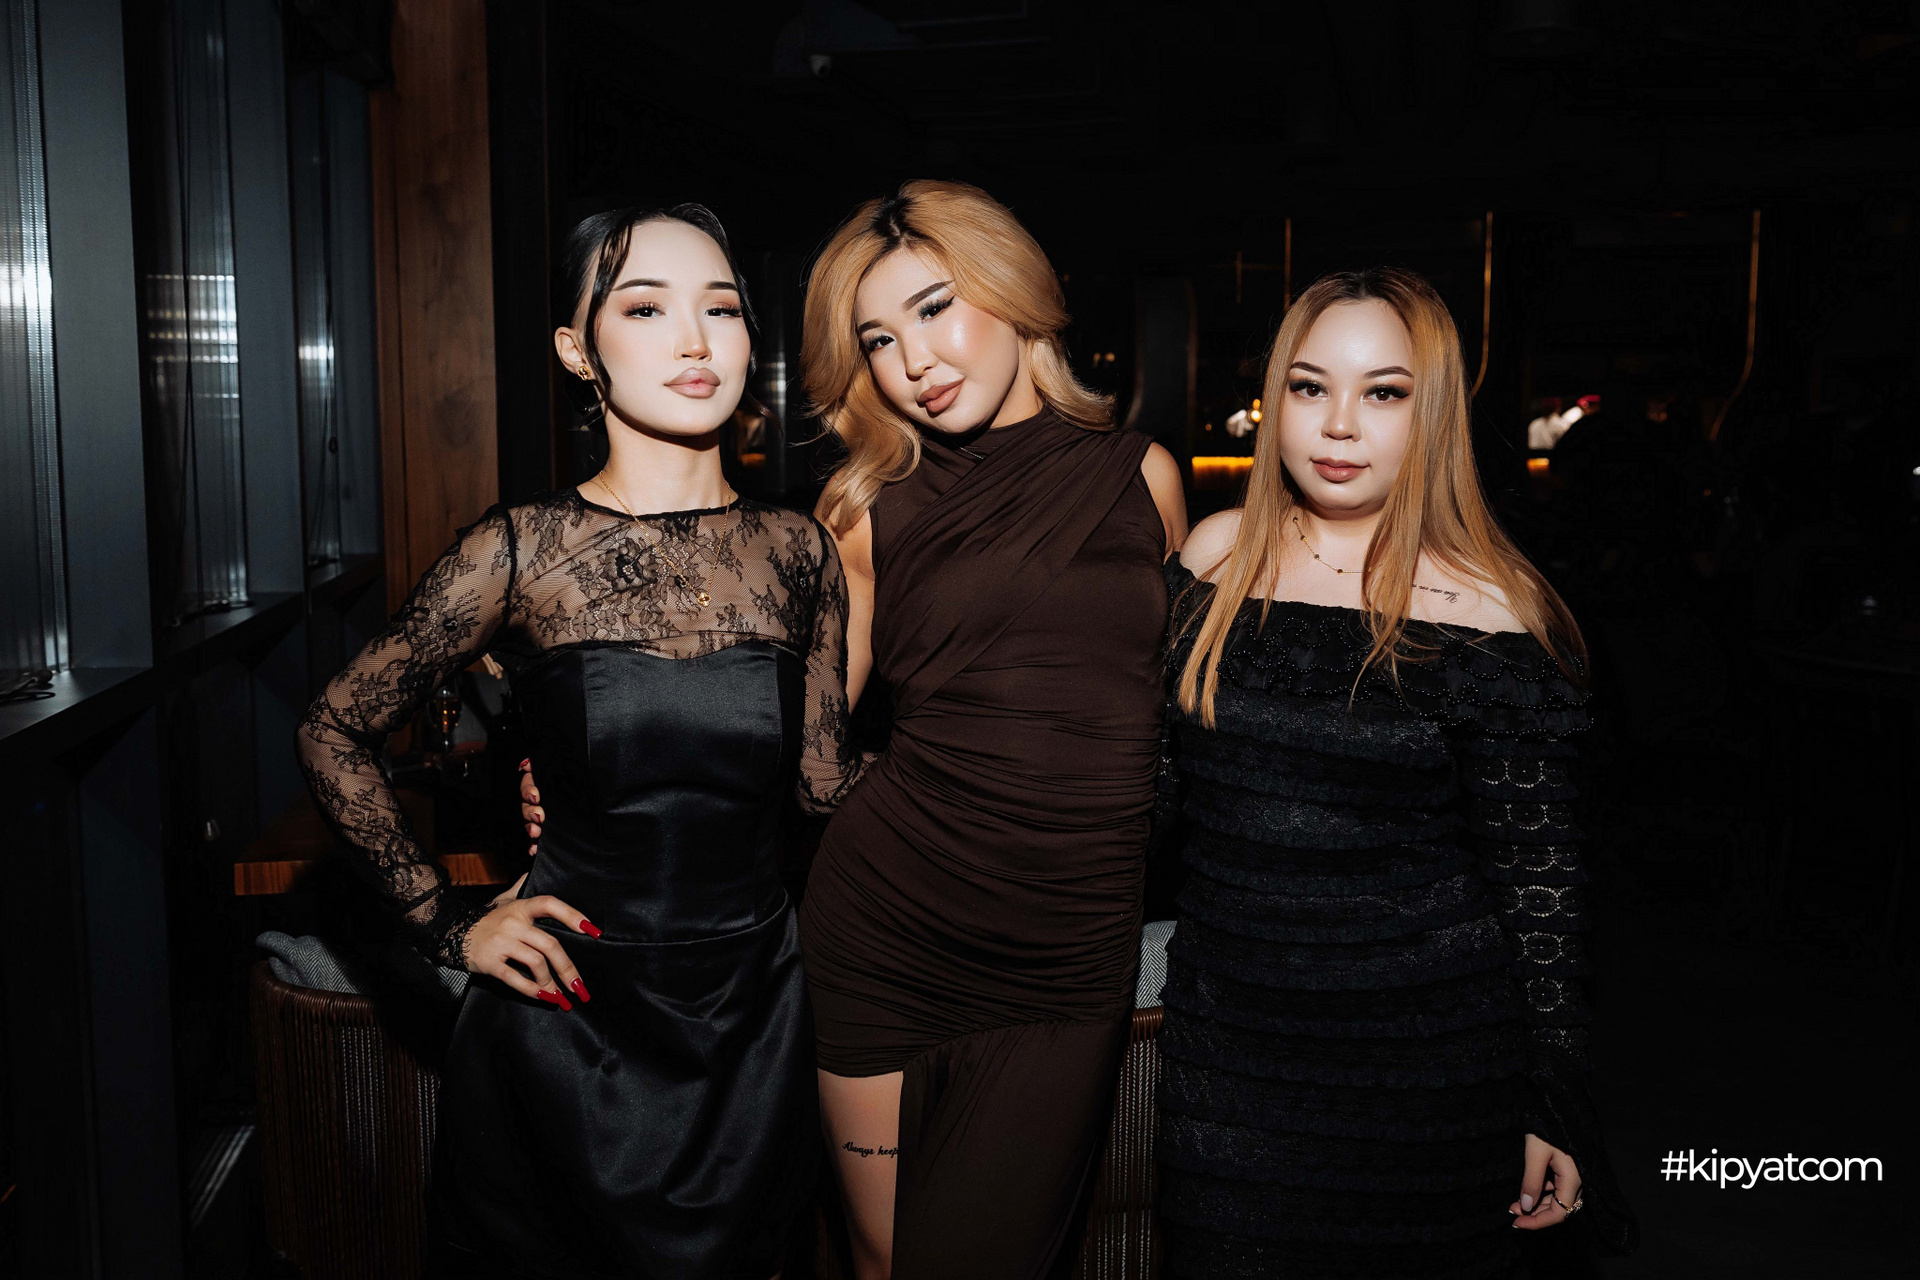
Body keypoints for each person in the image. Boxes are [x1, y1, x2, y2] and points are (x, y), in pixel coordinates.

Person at [297, 204, 862, 1278]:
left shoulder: (799, 551)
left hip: (754, 1023)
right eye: (645, 309)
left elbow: (825, 784)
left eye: (722, 309)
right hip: (569, 1023)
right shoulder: (520, 550)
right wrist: (446, 925)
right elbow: (332, 728)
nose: (694, 340)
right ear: (576, 350)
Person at [1157, 267, 1636, 1277]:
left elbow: (1540, 889)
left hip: (1427, 1065)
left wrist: (1552, 1096)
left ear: (1434, 413)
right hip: (1229, 1054)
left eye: (1383, 391)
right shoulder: (1213, 560)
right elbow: (1148, 799)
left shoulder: (1495, 606)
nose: (1338, 423)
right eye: (1309, 386)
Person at [798, 180, 1186, 1279]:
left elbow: (1198, 705)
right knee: (884, 1263)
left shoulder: (1143, 476)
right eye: (878, 339)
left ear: (1015, 295)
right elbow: (794, 734)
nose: (911, 360)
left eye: (935, 308)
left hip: (1068, 951)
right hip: (885, 926)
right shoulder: (864, 506)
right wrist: (601, 771)